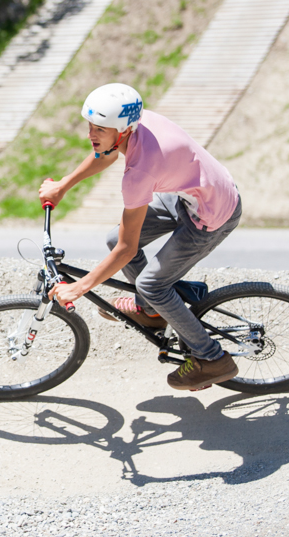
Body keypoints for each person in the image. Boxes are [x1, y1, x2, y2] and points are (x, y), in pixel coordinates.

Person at [38, 83, 242, 391]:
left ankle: (212, 358)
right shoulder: (136, 121)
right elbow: (105, 154)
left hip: (212, 215)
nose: (91, 134)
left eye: (99, 129)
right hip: (194, 195)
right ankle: (152, 312)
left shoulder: (139, 175)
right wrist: (64, 185)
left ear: (122, 131)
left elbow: (126, 249)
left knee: (150, 283)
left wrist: (79, 288)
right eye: (90, 126)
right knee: (113, 239)